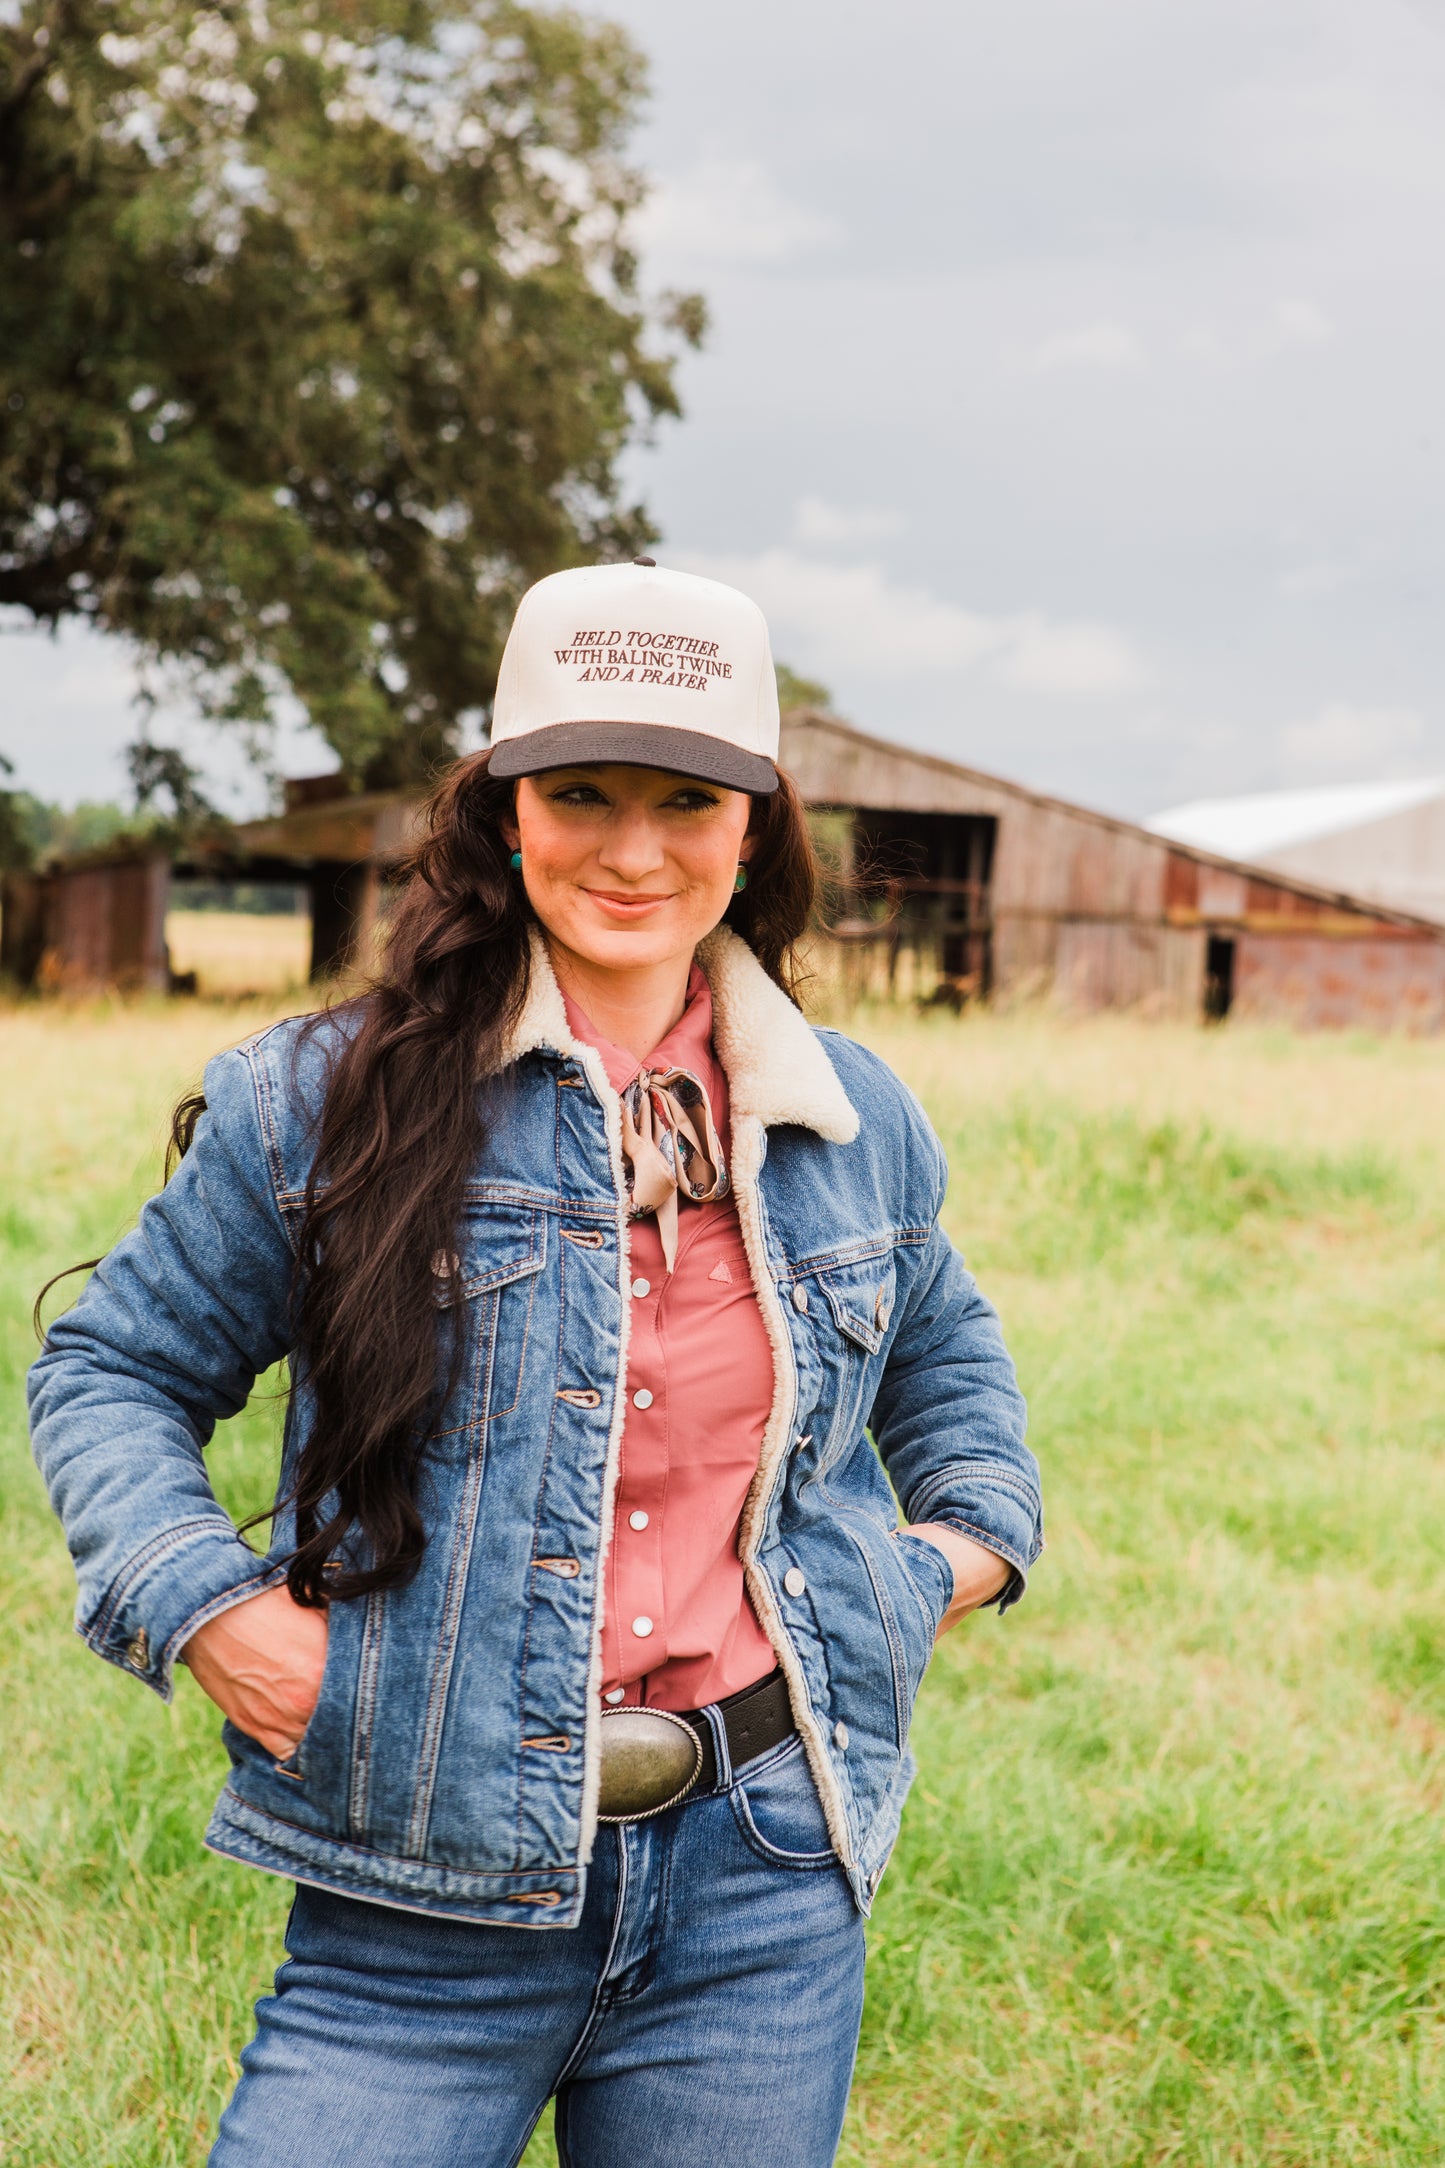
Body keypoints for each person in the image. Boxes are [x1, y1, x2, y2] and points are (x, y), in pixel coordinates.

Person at [29, 561, 1042, 2167]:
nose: (633, 851)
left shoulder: (851, 1114)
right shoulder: (320, 1100)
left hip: (762, 1880)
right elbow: (111, 1369)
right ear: (505, 810)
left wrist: (940, 1564)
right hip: (419, 1889)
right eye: (580, 793)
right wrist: (206, 1609)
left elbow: (950, 1367)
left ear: (753, 829)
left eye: (687, 803)